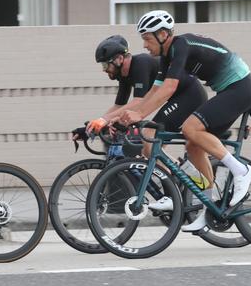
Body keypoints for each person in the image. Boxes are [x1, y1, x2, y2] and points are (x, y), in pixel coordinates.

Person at [120, 10, 251, 232]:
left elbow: (169, 88)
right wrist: (131, 114)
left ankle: (241, 171)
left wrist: (140, 115)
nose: (144, 45)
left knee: (190, 127)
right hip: (228, 91)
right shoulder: (167, 57)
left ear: (163, 34)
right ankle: (210, 206)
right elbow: (154, 91)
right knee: (193, 146)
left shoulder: (180, 45)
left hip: (239, 88)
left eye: (147, 38)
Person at [86, 34, 208, 211]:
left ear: (120, 59)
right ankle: (179, 178)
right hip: (175, 99)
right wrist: (95, 123)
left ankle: (182, 182)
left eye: (106, 64)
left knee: (149, 138)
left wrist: (105, 120)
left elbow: (138, 103)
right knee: (147, 149)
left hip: (189, 96)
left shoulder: (141, 63)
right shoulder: (124, 75)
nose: (105, 69)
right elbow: (119, 106)